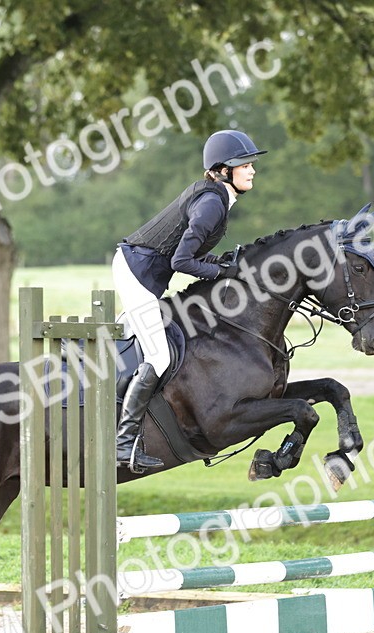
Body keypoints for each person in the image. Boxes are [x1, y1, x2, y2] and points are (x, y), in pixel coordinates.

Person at [112, 129, 266, 472]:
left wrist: (220, 264)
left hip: (144, 272)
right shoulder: (212, 203)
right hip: (137, 272)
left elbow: (187, 256)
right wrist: (220, 273)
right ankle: (123, 445)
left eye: (251, 163)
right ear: (224, 170)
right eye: (244, 164)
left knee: (145, 348)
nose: (252, 169)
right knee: (160, 355)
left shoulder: (216, 198)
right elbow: (181, 262)